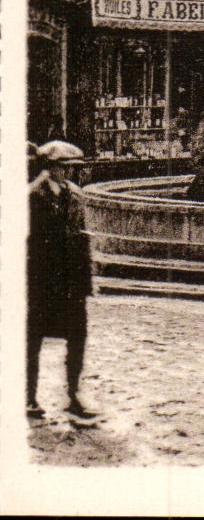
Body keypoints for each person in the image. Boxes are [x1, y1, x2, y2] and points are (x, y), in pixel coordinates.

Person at [27, 141, 97, 420]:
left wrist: (86, 279)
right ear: (51, 167)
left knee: (77, 337)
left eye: (71, 169)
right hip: (41, 280)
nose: (68, 174)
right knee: (32, 339)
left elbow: (81, 237)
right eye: (64, 168)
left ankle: (74, 395)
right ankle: (28, 396)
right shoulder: (33, 196)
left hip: (71, 281)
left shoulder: (75, 195)